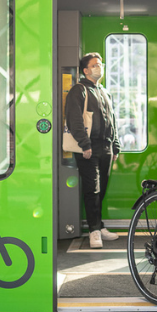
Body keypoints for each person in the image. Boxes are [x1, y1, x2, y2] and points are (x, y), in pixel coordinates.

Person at [65, 53, 122, 249]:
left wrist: (115, 145)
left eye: (101, 64)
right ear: (86, 70)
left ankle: (99, 226)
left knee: (102, 188)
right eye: (95, 65)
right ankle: (94, 231)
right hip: (88, 148)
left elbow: (112, 121)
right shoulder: (79, 91)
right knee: (92, 189)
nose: (100, 67)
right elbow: (74, 121)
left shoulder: (104, 92)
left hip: (105, 147)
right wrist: (85, 145)